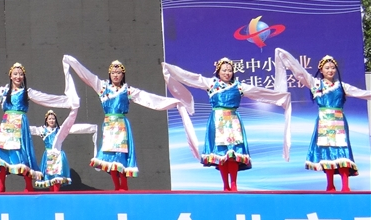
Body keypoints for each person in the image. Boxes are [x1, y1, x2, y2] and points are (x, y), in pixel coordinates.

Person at [162, 58, 290, 191]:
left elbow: (260, 92)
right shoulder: (211, 83)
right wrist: (170, 69)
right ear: (218, 71)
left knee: (232, 154)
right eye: (224, 70)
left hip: (233, 121)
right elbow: (191, 78)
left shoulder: (239, 86)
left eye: (229, 70)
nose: (227, 73)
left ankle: (234, 184)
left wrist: (281, 97)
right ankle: (225, 185)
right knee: (222, 154)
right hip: (218, 121)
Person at [65, 56, 184, 191]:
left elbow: (148, 98)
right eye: (113, 73)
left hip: (121, 125)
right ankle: (117, 186)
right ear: (110, 74)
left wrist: (172, 103)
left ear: (123, 75)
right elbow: (87, 75)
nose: (116, 75)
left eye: (118, 73)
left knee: (121, 155)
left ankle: (124, 185)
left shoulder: (127, 90)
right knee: (110, 156)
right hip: (109, 126)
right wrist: (72, 62)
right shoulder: (102, 87)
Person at [0, 62, 80, 192]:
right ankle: (1, 184)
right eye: (15, 74)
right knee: (2, 152)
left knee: (23, 152)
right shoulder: (3, 92)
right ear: (10, 76)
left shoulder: (27, 92)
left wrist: (68, 102)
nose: (18, 77)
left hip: (20, 123)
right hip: (7, 123)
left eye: (21, 74)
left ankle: (28, 185)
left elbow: (47, 98)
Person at [275, 49, 371, 192]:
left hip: (339, 122)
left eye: (333, 68)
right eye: (327, 68)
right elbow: (300, 72)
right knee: (327, 152)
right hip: (324, 123)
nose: (330, 70)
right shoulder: (315, 84)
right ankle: (330, 185)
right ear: (321, 70)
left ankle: (345, 186)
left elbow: (362, 93)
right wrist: (286, 57)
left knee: (343, 151)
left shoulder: (342, 86)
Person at [35, 110, 69, 192]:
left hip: (58, 155)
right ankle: (52, 193)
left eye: (53, 119)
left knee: (57, 174)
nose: (51, 120)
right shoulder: (42, 130)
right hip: (48, 155)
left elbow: (72, 127)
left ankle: (56, 192)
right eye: (49, 119)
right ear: (46, 120)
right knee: (49, 175)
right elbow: (31, 129)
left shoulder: (60, 130)